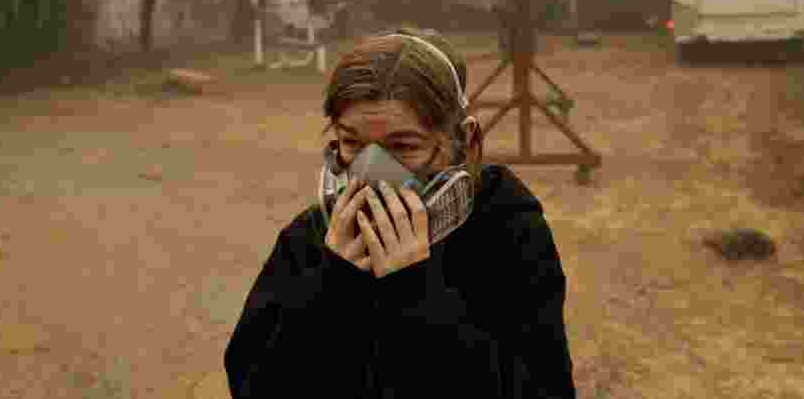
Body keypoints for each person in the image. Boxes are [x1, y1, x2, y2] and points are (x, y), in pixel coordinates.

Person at [224, 27, 576, 398]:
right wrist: (330, 289)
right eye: (351, 143)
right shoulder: (311, 238)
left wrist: (417, 295)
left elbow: (545, 388)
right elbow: (253, 386)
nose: (372, 169)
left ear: (464, 144)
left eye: (404, 147)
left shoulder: (505, 226)